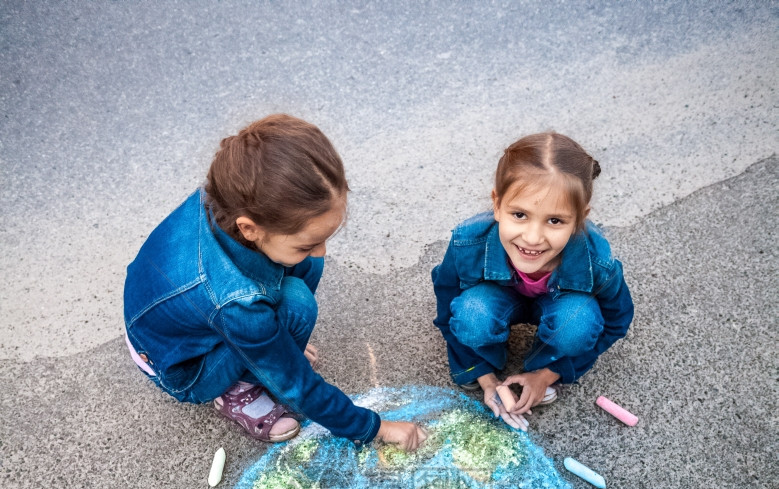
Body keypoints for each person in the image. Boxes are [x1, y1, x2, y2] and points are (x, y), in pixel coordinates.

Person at [124, 114, 425, 450]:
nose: (322, 251)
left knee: (304, 270)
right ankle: (240, 388)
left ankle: (266, 344)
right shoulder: (237, 301)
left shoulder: (229, 193)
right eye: (308, 242)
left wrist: (274, 340)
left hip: (166, 322)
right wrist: (375, 427)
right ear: (250, 228)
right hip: (182, 368)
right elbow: (296, 383)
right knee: (296, 306)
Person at [431, 132, 634, 430]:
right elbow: (446, 310)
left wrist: (548, 374)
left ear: (579, 219)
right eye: (520, 214)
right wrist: (485, 377)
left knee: (577, 324)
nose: (533, 238)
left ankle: (540, 363)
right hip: (495, 300)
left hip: (561, 305)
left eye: (555, 220)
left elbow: (617, 321)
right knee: (472, 314)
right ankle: (490, 356)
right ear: (497, 205)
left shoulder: (597, 262)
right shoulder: (466, 242)